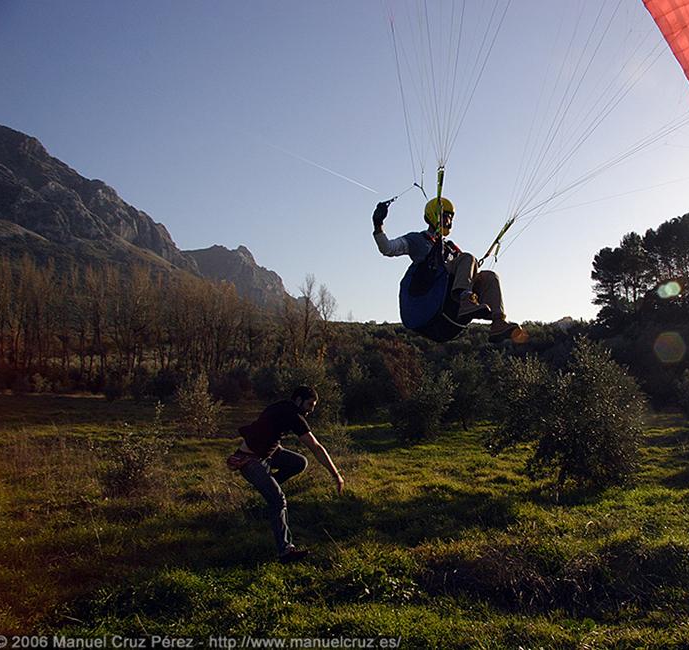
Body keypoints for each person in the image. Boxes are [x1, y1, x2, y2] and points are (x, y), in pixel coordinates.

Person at [373, 197, 526, 343]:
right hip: (431, 290)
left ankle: (498, 322)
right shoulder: (418, 240)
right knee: (468, 258)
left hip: (448, 301)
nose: (450, 221)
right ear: (435, 215)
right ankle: (465, 300)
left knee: (489, 276)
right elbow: (388, 248)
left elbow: (468, 270)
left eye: (451, 218)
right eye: (447, 217)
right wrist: (378, 224)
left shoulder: (451, 247)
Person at [225, 385, 344, 563]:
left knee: (299, 462)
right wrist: (336, 475)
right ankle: (285, 552)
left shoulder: (282, 406)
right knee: (279, 500)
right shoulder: (293, 415)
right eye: (309, 404)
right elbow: (316, 447)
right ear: (298, 401)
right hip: (250, 461)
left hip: (268, 454)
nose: (311, 410)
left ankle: (270, 491)